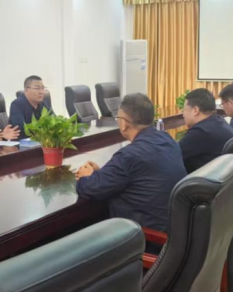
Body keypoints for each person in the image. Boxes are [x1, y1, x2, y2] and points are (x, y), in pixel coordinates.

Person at [75, 93, 187, 236]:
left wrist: (86, 176)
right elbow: (135, 175)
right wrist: (101, 172)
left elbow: (89, 188)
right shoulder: (168, 140)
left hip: (145, 239)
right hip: (174, 230)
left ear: (124, 123)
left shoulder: (129, 155)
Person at [179, 88, 233, 172]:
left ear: (195, 110)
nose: (183, 114)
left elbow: (171, 155)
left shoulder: (201, 132)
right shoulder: (218, 120)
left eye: (184, 110)